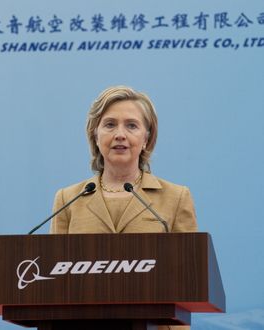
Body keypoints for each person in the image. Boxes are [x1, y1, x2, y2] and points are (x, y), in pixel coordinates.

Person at [50, 86, 197, 329]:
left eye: (131, 125)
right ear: (95, 135)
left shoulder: (176, 197)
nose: (120, 134)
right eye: (109, 125)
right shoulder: (68, 199)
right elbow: (53, 285)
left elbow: (187, 286)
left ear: (146, 138)